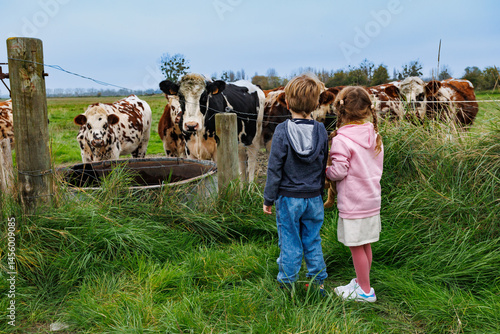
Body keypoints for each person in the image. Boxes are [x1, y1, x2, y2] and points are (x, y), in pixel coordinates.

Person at [263, 73, 329, 291]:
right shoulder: (321, 130)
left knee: (290, 241)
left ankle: (288, 285)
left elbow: (274, 168)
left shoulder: (282, 131)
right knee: (312, 240)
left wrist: (269, 198)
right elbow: (322, 164)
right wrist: (320, 191)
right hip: (313, 197)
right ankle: (318, 283)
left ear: (288, 103)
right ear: (316, 104)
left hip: (289, 198)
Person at [326, 86, 384, 303]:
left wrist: (326, 172)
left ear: (340, 111)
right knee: (365, 243)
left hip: (353, 202)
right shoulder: (374, 134)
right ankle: (362, 282)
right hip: (371, 199)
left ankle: (365, 292)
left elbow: (339, 171)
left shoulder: (342, 139)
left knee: (356, 247)